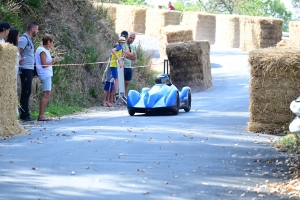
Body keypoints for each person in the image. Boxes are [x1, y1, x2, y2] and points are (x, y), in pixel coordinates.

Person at [35, 34, 60, 121]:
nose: (53, 44)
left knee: (47, 94)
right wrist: (53, 60)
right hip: (45, 74)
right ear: (48, 42)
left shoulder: (45, 50)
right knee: (46, 94)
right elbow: (44, 64)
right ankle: (41, 115)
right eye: (52, 42)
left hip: (47, 74)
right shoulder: (42, 50)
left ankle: (42, 114)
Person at [18, 22, 39, 122]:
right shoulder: (24, 39)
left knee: (28, 91)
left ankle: (25, 112)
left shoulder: (29, 40)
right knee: (26, 91)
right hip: (25, 68)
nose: (37, 31)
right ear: (32, 29)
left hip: (30, 69)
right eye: (37, 29)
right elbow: (18, 52)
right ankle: (24, 114)